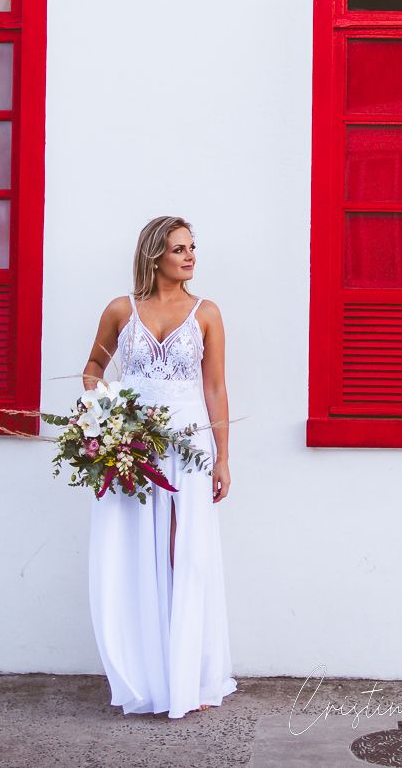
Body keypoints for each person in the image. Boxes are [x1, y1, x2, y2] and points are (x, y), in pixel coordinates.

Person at [79, 215, 237, 718]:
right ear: (154, 256)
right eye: (178, 249)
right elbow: (92, 370)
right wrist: (108, 423)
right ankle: (146, 679)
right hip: (133, 445)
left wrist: (223, 458)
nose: (190, 257)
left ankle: (190, 678)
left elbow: (214, 388)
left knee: (184, 554)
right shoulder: (120, 310)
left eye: (192, 248)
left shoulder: (207, 313)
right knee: (135, 553)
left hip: (189, 447)